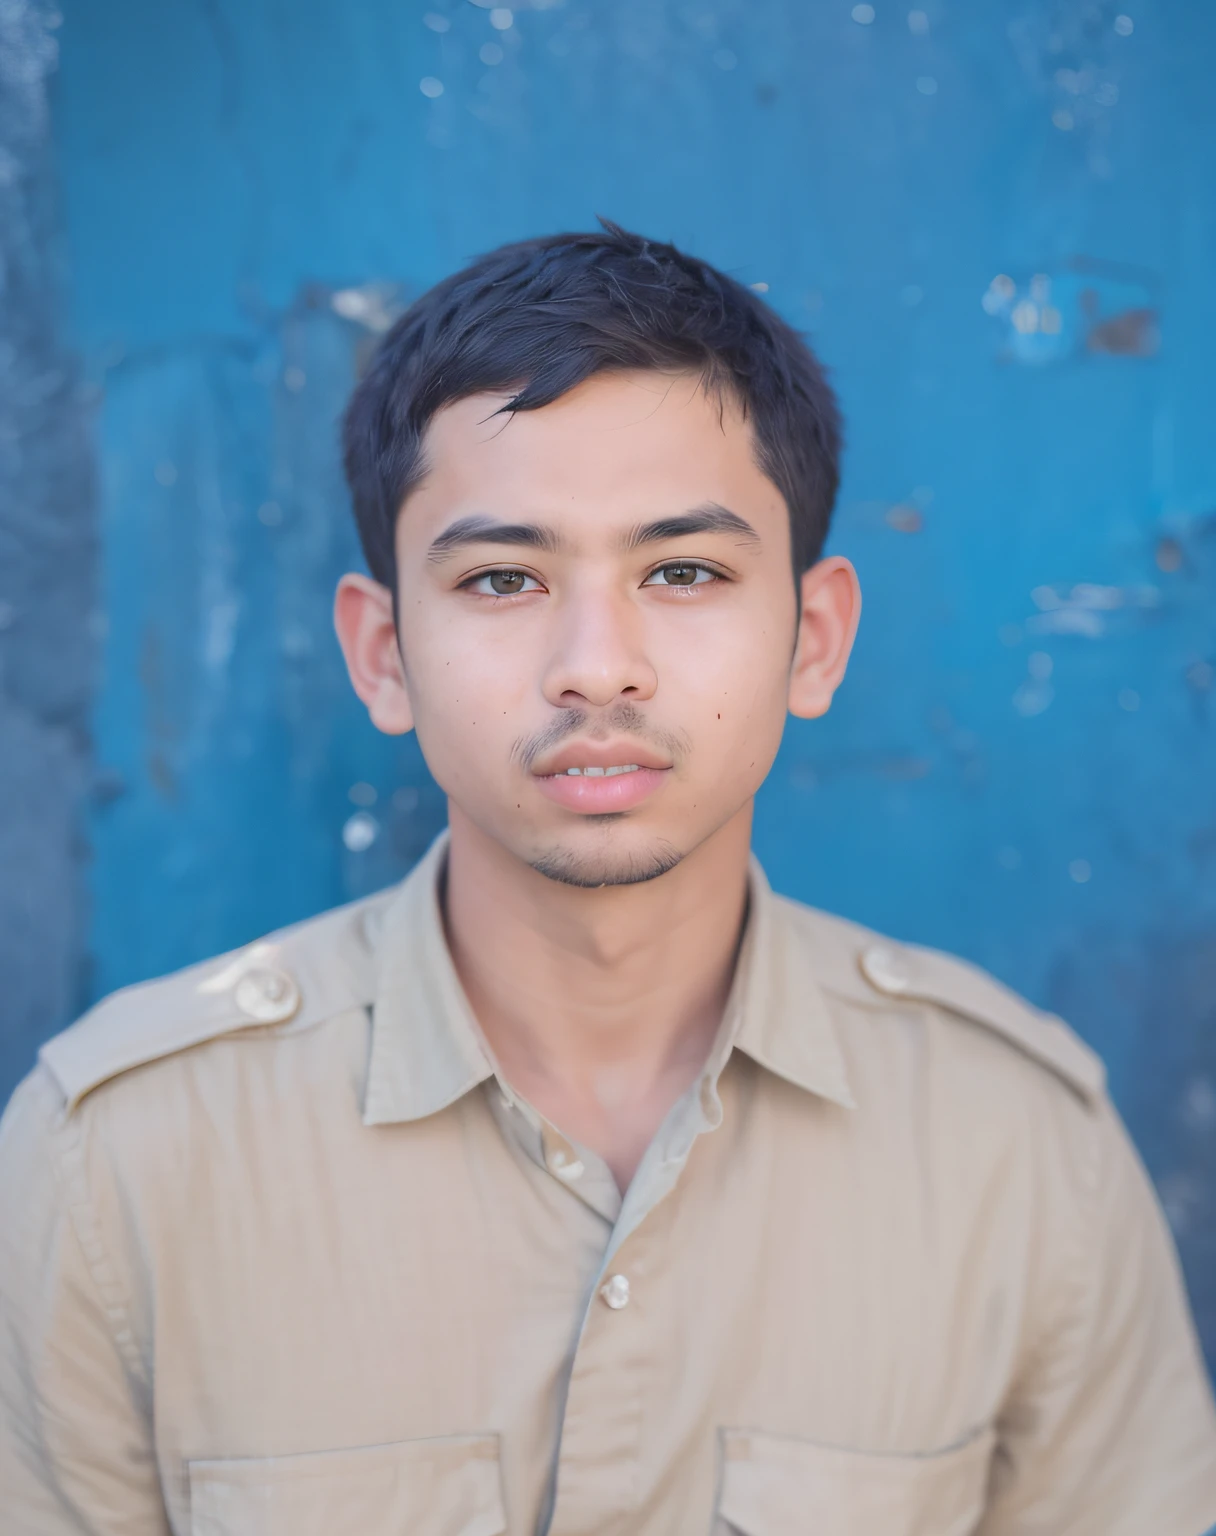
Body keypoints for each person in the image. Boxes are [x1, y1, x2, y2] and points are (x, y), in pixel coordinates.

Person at [2, 223, 1214, 1536]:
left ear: (813, 641)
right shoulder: (117, 1160)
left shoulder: (1022, 1151)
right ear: (382, 653)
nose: (597, 664)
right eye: (503, 577)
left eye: (683, 571)